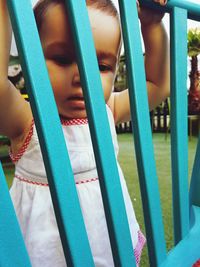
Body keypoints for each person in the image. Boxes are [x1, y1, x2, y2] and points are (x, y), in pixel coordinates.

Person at [0, 0, 169, 266]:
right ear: (30, 58)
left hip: (108, 235)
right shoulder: (27, 120)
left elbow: (157, 84)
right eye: (63, 59)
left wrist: (151, 24)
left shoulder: (107, 109)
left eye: (101, 66)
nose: (83, 76)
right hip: (46, 247)